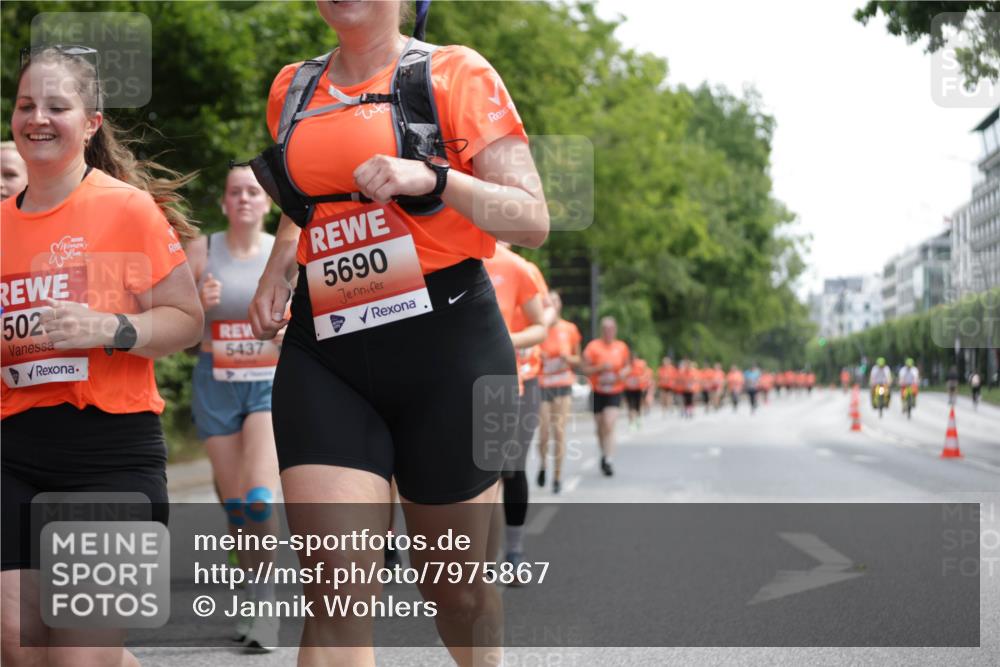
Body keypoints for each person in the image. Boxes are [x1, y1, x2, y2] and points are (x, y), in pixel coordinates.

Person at [248, 2, 549, 663]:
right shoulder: (292, 87)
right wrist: (279, 264)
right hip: (328, 350)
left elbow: (531, 220)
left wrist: (435, 177)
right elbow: (310, 194)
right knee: (335, 594)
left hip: (450, 351)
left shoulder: (457, 74)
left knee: (457, 593)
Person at [1, 46, 203, 667]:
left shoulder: (125, 208)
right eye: (26, 105)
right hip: (12, 454)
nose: (38, 118)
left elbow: (186, 321)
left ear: (91, 123)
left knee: (80, 659)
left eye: (56, 106)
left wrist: (110, 326)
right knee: (15, 645)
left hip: (109, 457)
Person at [185, 165, 281, 651]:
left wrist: (288, 329)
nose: (244, 198)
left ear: (267, 203)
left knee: (258, 497)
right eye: (235, 192)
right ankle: (250, 591)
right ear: (224, 203)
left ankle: (266, 609)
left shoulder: (283, 253)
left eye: (253, 191)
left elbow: (314, 318)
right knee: (235, 503)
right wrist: (197, 305)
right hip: (216, 383)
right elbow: (172, 325)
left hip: (268, 383)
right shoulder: (201, 252)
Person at [483, 244, 548, 574]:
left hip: (517, 379)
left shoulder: (519, 267)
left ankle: (511, 552)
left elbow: (544, 319)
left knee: (506, 471)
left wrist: (506, 339)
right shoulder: (446, 252)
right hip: (457, 384)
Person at [536, 291, 581, 494]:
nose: (552, 305)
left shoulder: (569, 329)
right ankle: (543, 465)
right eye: (548, 302)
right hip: (543, 384)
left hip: (563, 384)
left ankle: (557, 476)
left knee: (559, 431)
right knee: (544, 433)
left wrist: (567, 359)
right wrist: (541, 357)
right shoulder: (538, 329)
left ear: (560, 305)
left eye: (555, 301)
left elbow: (578, 359)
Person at [580, 317, 629, 476]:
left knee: (609, 423)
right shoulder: (593, 347)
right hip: (597, 391)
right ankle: (604, 453)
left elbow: (628, 366)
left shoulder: (621, 347)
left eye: (611, 329)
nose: (609, 332)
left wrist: (623, 373)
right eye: (606, 330)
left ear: (615, 330)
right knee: (600, 427)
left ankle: (608, 459)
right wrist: (600, 368)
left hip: (614, 391)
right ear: (602, 331)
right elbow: (584, 369)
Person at [623, 350, 650, 430]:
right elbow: (621, 375)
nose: (632, 359)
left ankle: (638, 419)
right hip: (628, 388)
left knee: (638, 405)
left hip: (638, 388)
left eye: (633, 358)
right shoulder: (625, 365)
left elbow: (646, 374)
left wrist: (642, 381)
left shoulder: (641, 364)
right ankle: (631, 423)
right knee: (630, 406)